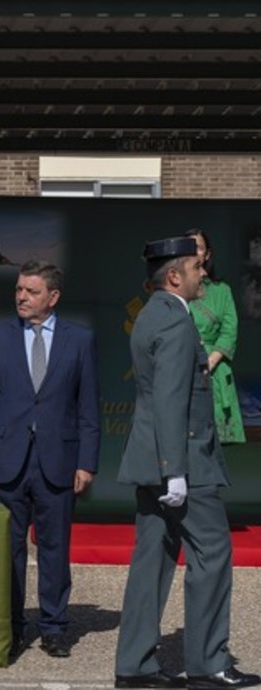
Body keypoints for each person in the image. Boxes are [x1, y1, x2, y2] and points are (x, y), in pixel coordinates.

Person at [114, 237, 260, 690]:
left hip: (156, 459)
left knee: (151, 562)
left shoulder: (152, 314)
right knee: (212, 554)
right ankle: (208, 664)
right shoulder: (176, 321)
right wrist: (174, 469)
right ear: (175, 275)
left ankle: (134, 666)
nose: (204, 274)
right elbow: (174, 401)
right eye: (197, 267)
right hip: (184, 462)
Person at [0, 259, 100, 661]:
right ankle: (10, 628)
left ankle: (55, 627)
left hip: (58, 462)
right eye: (19, 290)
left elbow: (88, 407)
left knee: (55, 549)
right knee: (8, 550)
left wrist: (87, 462)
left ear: (53, 297)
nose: (22, 297)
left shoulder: (80, 339)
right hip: (6, 461)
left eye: (31, 291)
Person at [185, 229, 246, 445]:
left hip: (215, 367)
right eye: (189, 247)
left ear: (207, 254)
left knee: (213, 444)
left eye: (199, 248)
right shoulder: (177, 289)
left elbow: (230, 332)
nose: (195, 253)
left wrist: (209, 362)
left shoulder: (222, 291)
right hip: (184, 364)